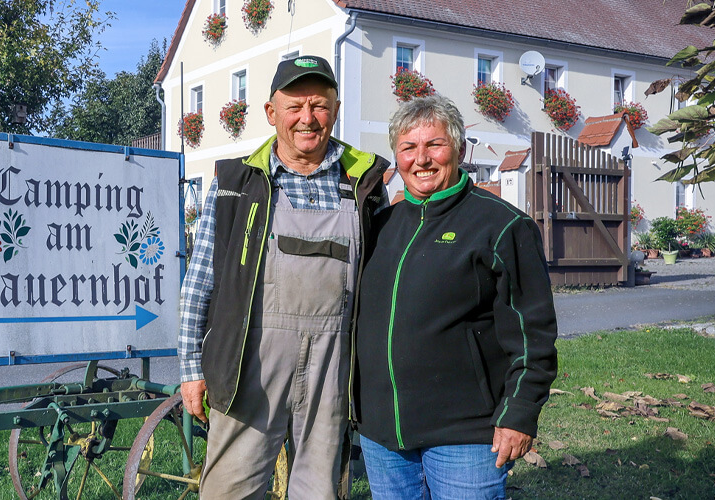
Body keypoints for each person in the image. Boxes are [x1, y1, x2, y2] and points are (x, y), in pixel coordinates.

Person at [178, 55, 390, 499]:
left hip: (334, 360)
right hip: (249, 360)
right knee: (228, 489)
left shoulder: (365, 181)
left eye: (319, 105)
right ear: (271, 113)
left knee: (320, 489)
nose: (307, 119)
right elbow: (199, 283)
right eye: (294, 107)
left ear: (334, 110)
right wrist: (191, 369)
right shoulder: (237, 180)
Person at [352, 94, 558, 499]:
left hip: (464, 433)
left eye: (435, 145)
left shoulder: (501, 226)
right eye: (409, 148)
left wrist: (520, 413)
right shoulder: (379, 225)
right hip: (382, 434)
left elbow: (533, 334)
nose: (422, 159)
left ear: (460, 150)